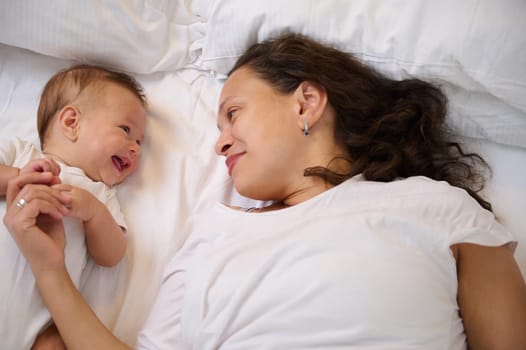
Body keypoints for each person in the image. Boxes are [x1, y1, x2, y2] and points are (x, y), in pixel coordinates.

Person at [4, 33, 526, 350]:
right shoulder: (210, 233)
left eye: (233, 114)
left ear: (306, 103)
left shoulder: (437, 208)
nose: (219, 143)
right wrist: (49, 270)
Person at [0, 64, 147, 350]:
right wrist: (18, 178)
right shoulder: (20, 154)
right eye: (126, 130)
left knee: (56, 341)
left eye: (140, 142)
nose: (136, 148)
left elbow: (112, 255)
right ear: (71, 122)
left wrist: (93, 213)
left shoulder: (99, 195)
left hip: (37, 322)